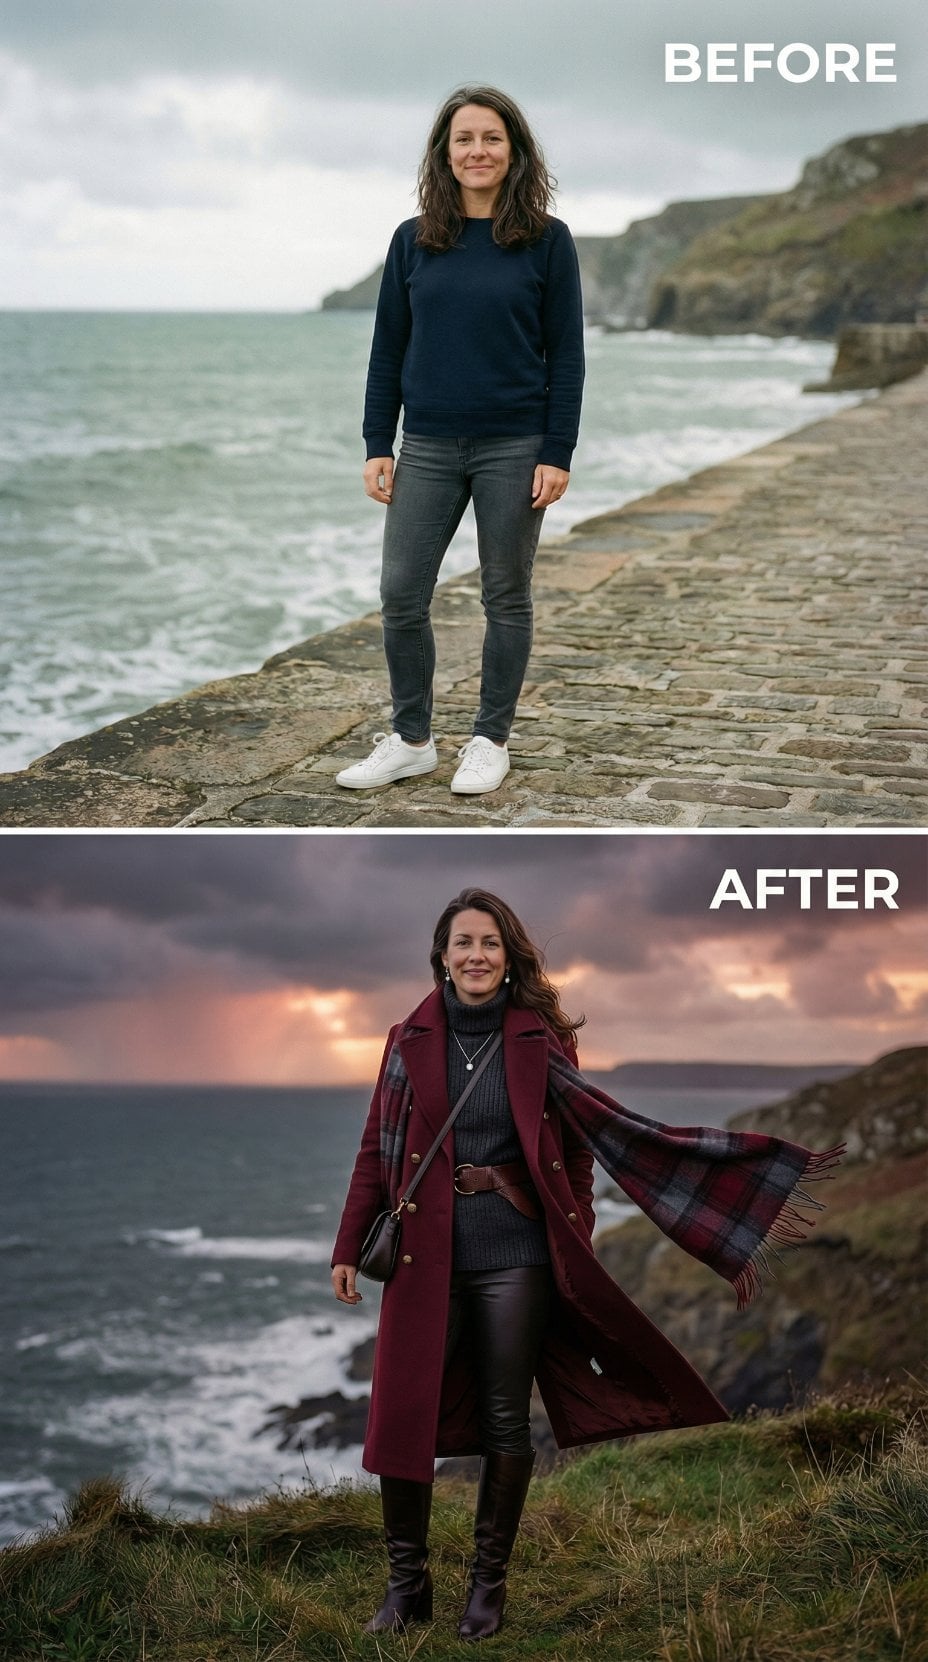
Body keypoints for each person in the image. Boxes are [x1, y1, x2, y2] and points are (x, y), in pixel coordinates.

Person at [331, 888, 843, 1640]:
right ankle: (408, 1588)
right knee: (401, 1416)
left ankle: (487, 1586)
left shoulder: (541, 1038)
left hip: (518, 1257)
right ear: (441, 955)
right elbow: (375, 1149)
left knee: (508, 1419)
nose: (476, 955)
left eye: (491, 943)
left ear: (509, 958)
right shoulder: (404, 1038)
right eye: (463, 942)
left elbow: (576, 1152)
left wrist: (575, 1230)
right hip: (421, 1257)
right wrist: (348, 1247)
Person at [335, 86, 585, 798]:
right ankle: (412, 739)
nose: (478, 151)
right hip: (430, 446)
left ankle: (489, 738)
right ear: (445, 154)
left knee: (506, 596)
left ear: (515, 152)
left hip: (516, 444)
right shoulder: (413, 239)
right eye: (464, 140)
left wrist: (556, 451)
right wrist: (376, 442)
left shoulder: (547, 239)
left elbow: (566, 356)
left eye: (492, 139)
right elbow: (389, 349)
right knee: (401, 594)